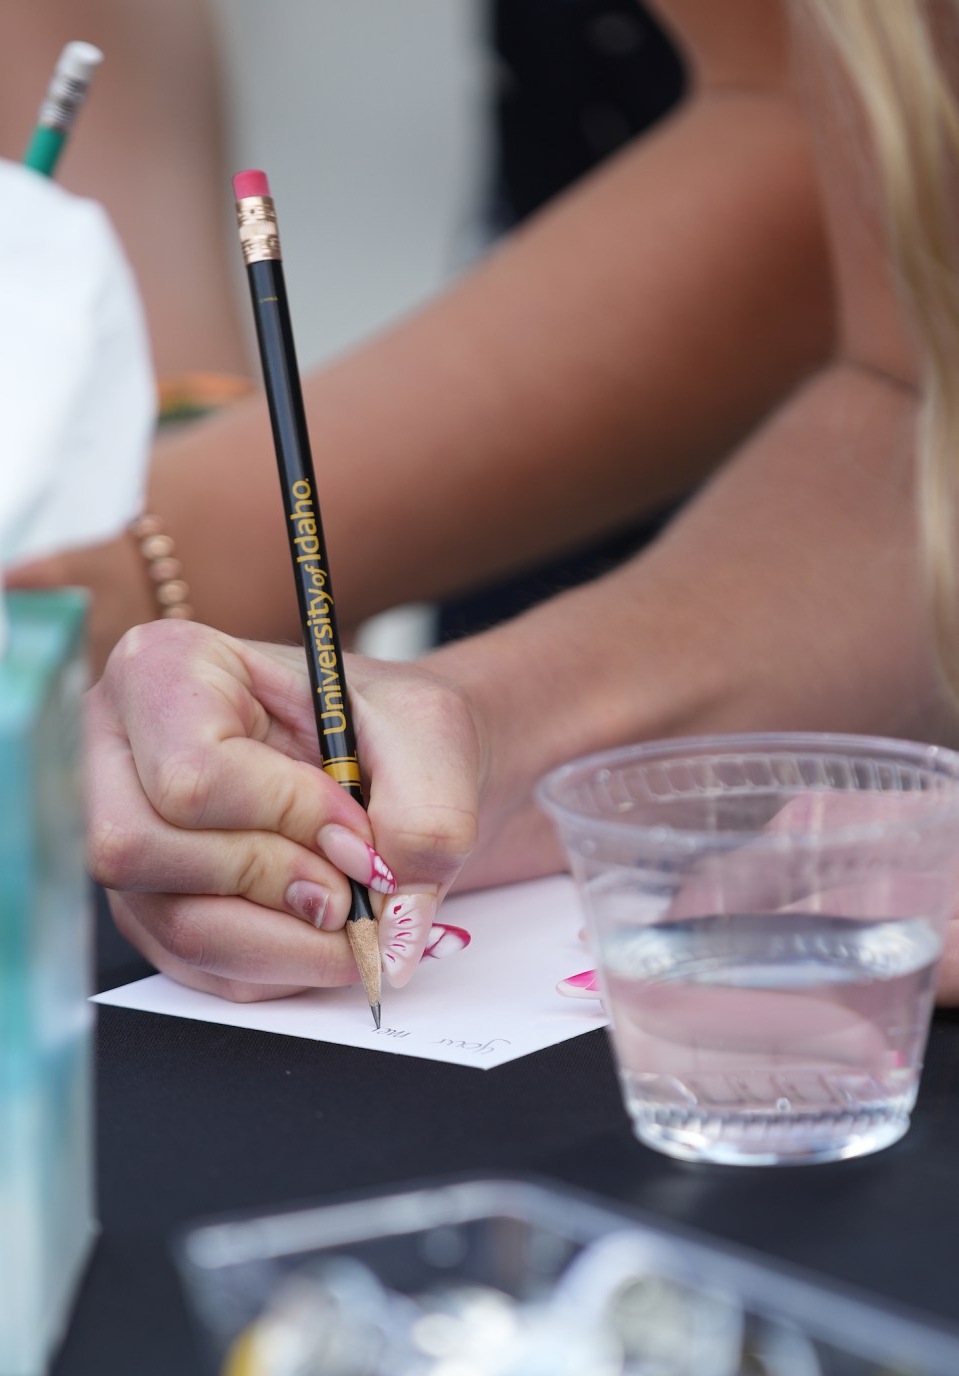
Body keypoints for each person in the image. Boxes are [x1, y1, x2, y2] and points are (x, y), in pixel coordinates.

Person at [86, 0, 959, 1004]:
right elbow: (914, 400)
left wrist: (182, 537)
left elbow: (809, 160)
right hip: (768, 580)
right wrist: (472, 731)